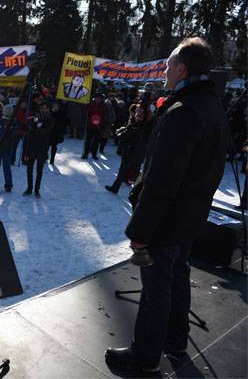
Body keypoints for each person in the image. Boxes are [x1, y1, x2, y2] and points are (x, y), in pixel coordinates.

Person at [105, 38, 229, 373]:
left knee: (156, 288)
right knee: (177, 274)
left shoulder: (183, 113)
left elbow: (161, 182)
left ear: (182, 69)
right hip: (190, 216)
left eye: (168, 63)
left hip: (167, 219)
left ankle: (144, 357)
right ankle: (175, 339)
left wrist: (140, 230)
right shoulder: (211, 106)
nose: (163, 69)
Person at [105, 103, 154, 194]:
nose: (135, 113)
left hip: (131, 151)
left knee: (124, 171)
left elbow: (125, 135)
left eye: (137, 112)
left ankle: (117, 188)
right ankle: (137, 192)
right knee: (135, 172)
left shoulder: (136, 124)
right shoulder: (147, 124)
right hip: (139, 151)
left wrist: (119, 132)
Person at [22, 102, 54, 197]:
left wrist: (37, 125)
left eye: (45, 108)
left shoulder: (50, 119)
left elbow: (45, 131)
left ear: (48, 109)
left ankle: (37, 190)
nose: (43, 110)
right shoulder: (34, 118)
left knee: (39, 170)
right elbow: (30, 130)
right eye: (42, 108)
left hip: (42, 147)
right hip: (31, 146)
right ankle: (29, 188)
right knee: (29, 168)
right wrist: (31, 123)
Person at [82, 94, 105, 160]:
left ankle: (94, 154)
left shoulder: (103, 105)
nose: (98, 99)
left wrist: (101, 122)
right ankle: (85, 154)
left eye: (99, 98)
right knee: (88, 140)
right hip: (90, 125)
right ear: (94, 98)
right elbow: (86, 113)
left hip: (98, 125)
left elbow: (103, 115)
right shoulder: (90, 104)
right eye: (97, 98)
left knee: (96, 141)